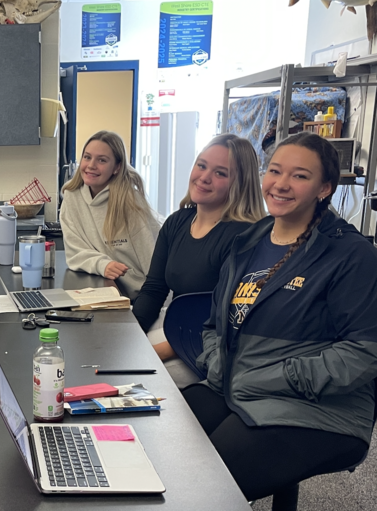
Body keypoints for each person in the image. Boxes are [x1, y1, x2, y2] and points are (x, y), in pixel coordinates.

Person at [184, 131, 377, 502]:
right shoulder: (248, 242)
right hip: (235, 387)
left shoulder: (350, 256)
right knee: (161, 443)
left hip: (312, 407)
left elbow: (364, 352)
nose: (281, 184)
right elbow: (214, 326)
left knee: (204, 488)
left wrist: (281, 377)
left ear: (325, 188)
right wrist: (216, 362)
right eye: (274, 171)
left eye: (300, 176)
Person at [133, 134, 266, 388]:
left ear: (240, 183)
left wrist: (154, 352)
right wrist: (131, 335)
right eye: (202, 165)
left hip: (205, 345)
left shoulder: (243, 236)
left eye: (220, 173)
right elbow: (154, 289)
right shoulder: (178, 222)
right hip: (173, 325)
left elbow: (225, 320)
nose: (204, 177)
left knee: (140, 383)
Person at [60, 130, 160, 300]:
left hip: (140, 296)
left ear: (117, 167)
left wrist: (156, 306)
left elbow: (153, 261)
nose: (91, 165)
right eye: (87, 157)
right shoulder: (71, 196)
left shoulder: (130, 201)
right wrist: (102, 264)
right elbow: (74, 252)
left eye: (102, 160)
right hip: (106, 289)